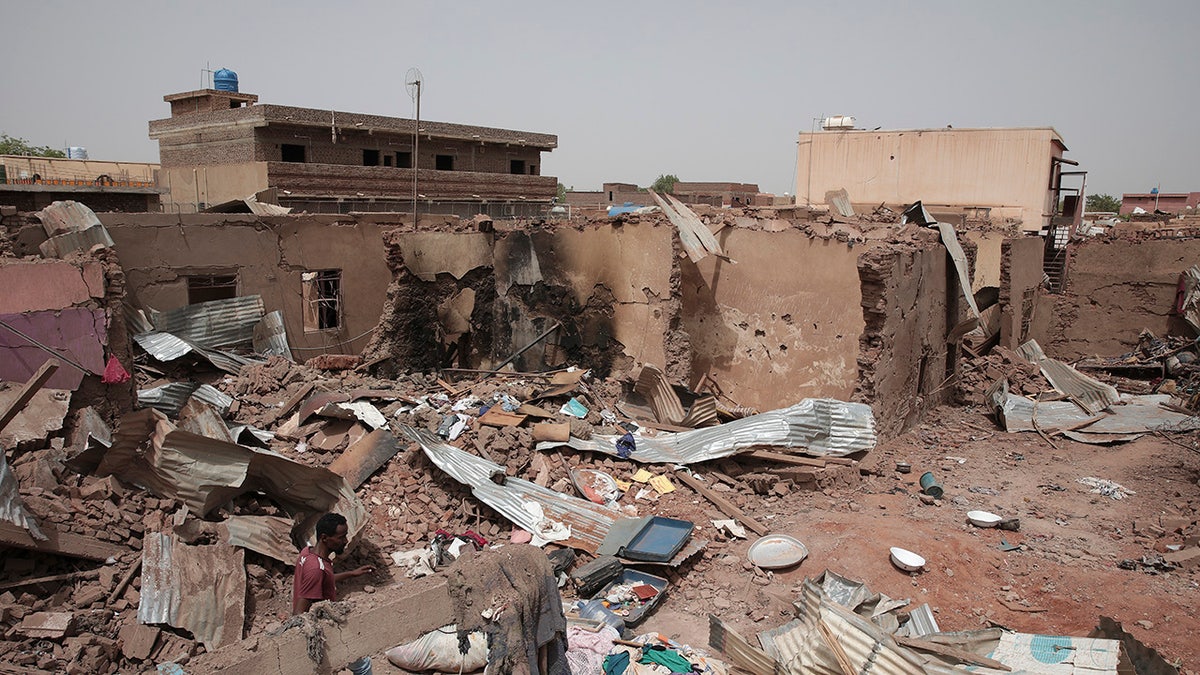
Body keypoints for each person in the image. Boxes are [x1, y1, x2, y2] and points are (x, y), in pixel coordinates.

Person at [293, 513, 375, 674]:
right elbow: (298, 612)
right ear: (325, 538)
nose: (345, 541)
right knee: (363, 665)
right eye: (341, 537)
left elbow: (324, 579)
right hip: (324, 631)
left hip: (324, 629)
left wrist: (352, 573)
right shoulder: (316, 569)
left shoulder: (308, 553)